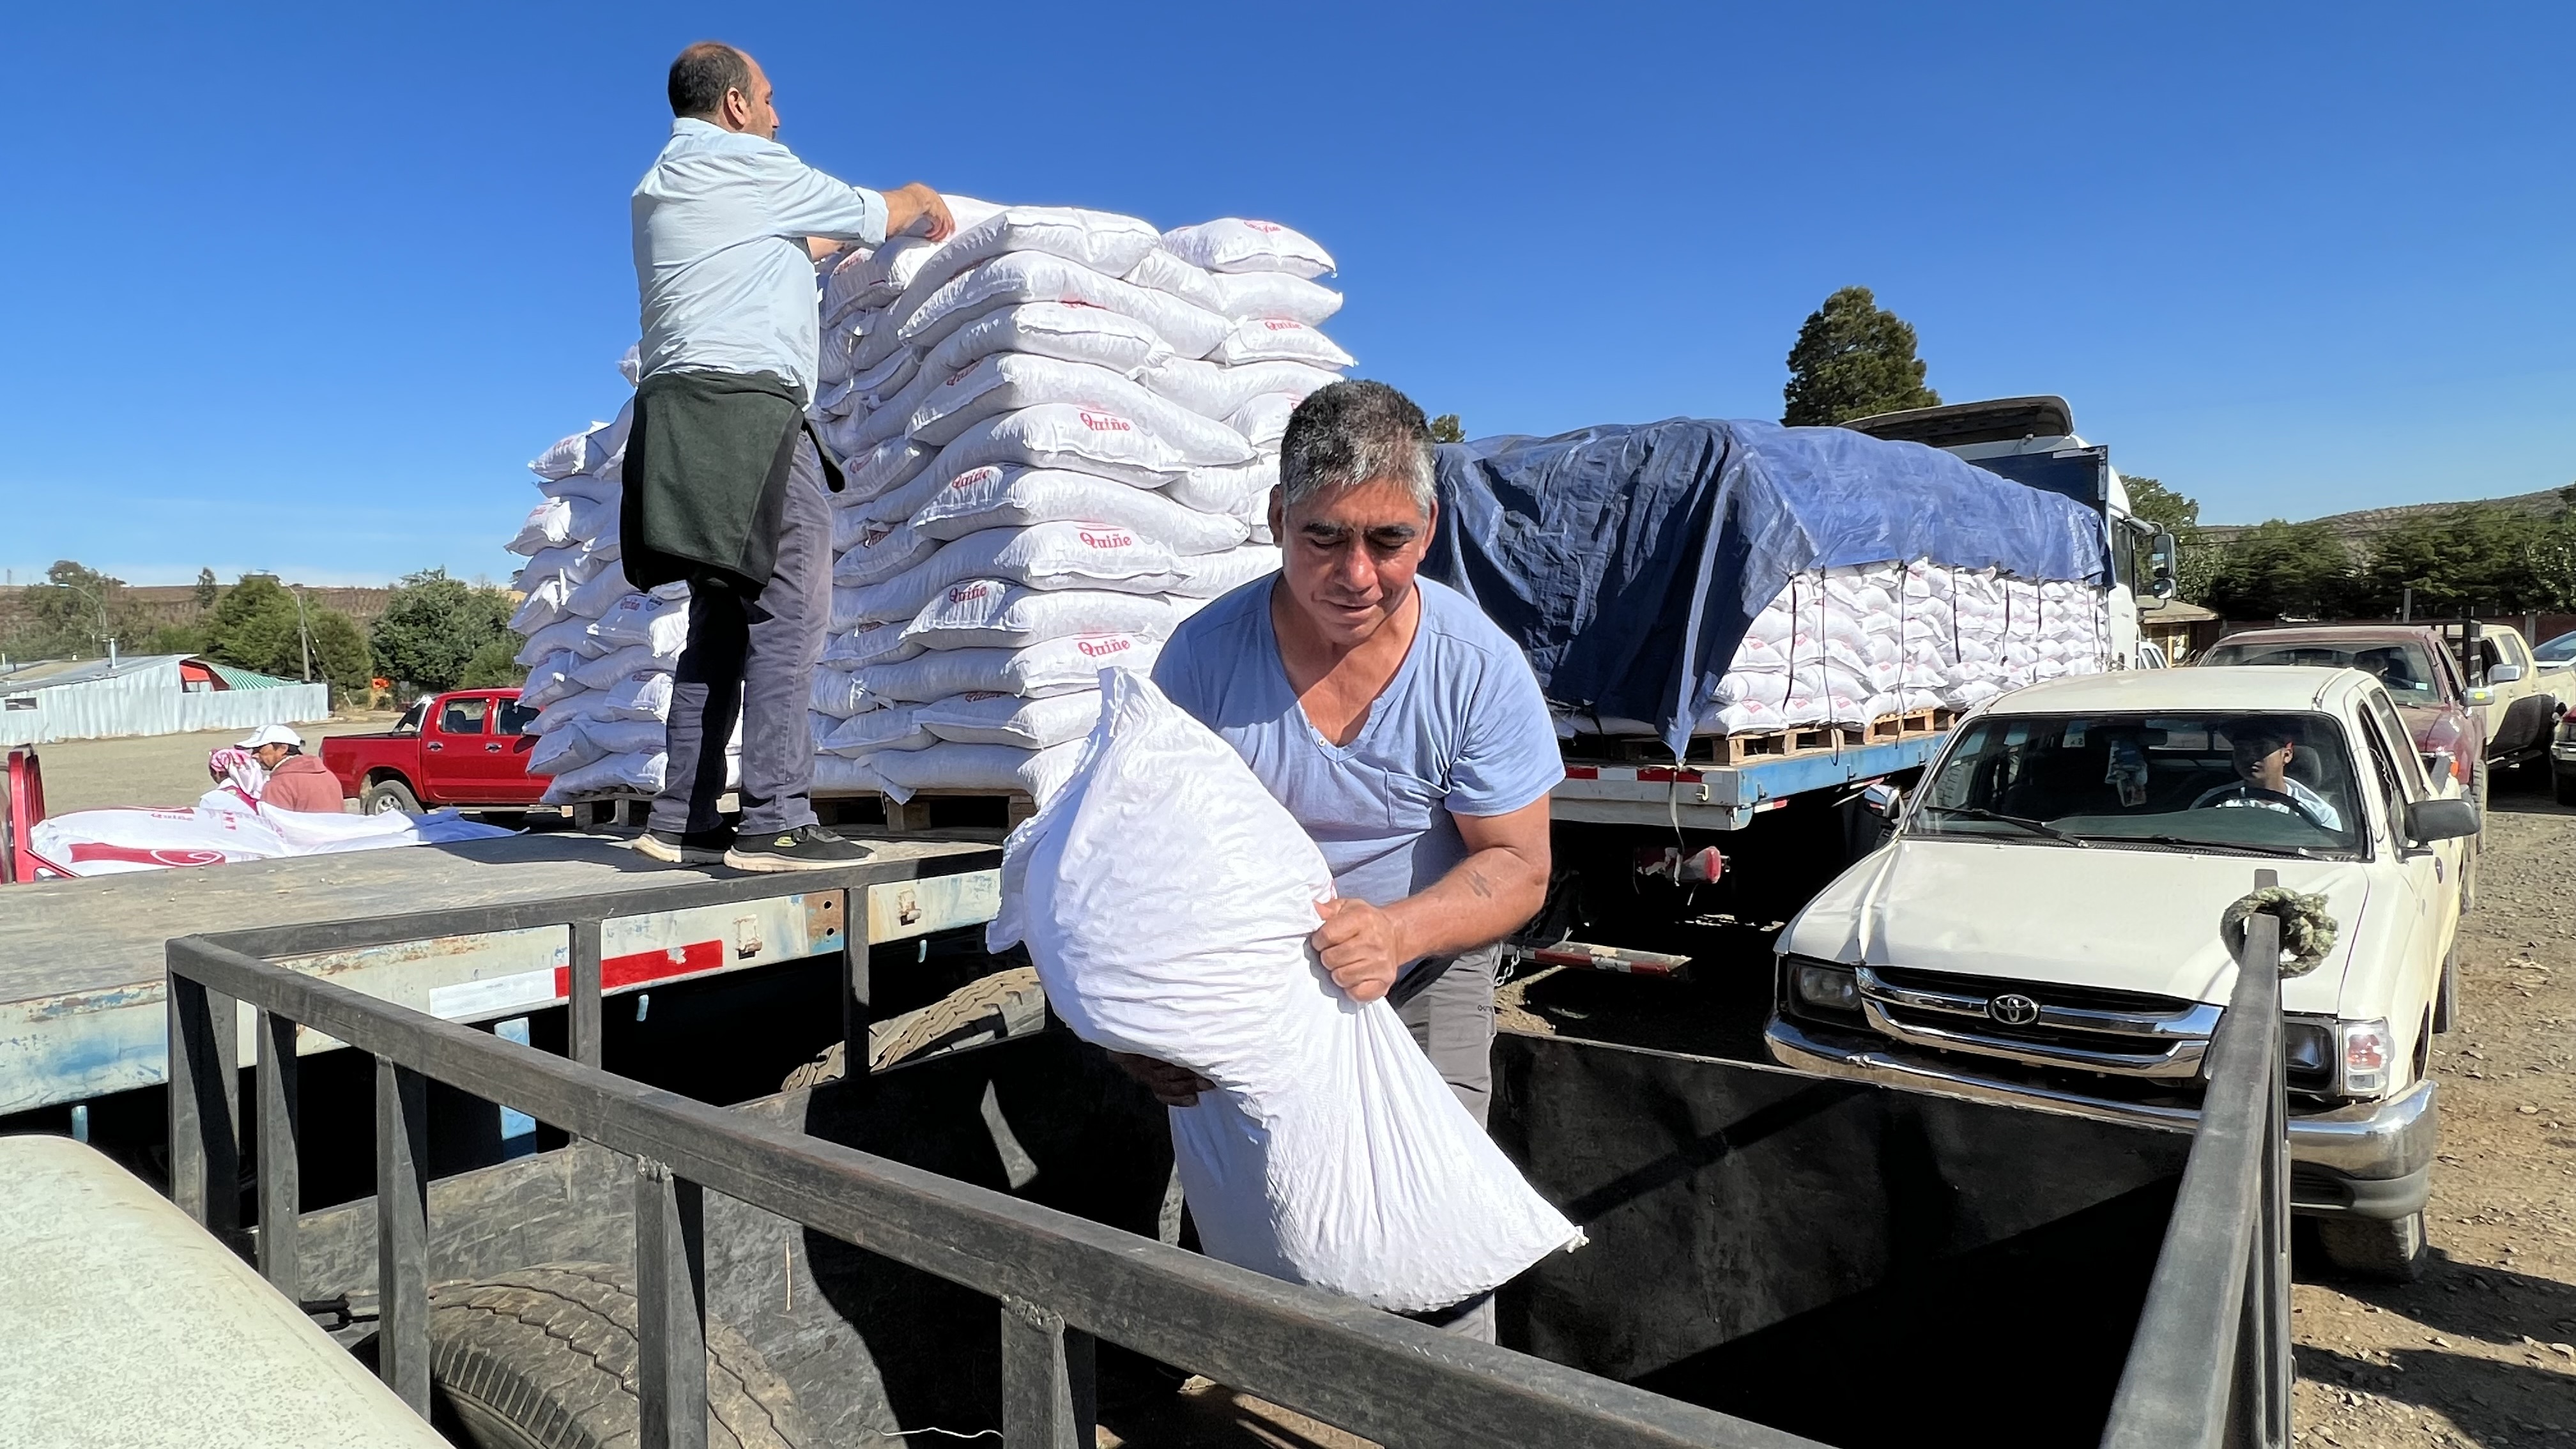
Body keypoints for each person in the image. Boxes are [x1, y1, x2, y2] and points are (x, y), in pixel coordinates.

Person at [1144, 380, 1561, 1339]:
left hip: (1420, 974)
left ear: (1429, 526)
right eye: (1324, 537)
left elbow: (1517, 866)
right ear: (1278, 517)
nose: (1356, 574)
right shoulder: (1203, 664)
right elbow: (1144, 864)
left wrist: (1397, 930)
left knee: (1433, 1219)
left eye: (1389, 541)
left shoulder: (1474, 670)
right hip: (1251, 984)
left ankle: (1448, 1408)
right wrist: (1137, 1030)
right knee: (1263, 1216)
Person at [624, 41, 954, 871]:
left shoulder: (667, 185)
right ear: (735, 105)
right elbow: (876, 210)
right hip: (751, 414)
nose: (778, 114)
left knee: (721, 618)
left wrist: (824, 251)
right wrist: (917, 196)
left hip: (681, 422)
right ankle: (774, 819)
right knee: (792, 607)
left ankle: (682, 818)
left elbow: (763, 249)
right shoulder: (751, 165)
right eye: (769, 98)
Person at [2193, 719, 2343, 829]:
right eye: (2242, 750)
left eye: (2261, 749)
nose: (2250, 757)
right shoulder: (2214, 803)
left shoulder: (2319, 814)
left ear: (2287, 755)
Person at [236, 725, 343, 813]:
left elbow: (273, 828)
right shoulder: (327, 775)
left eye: (259, 749)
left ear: (283, 748)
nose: (254, 755)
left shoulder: (279, 785)